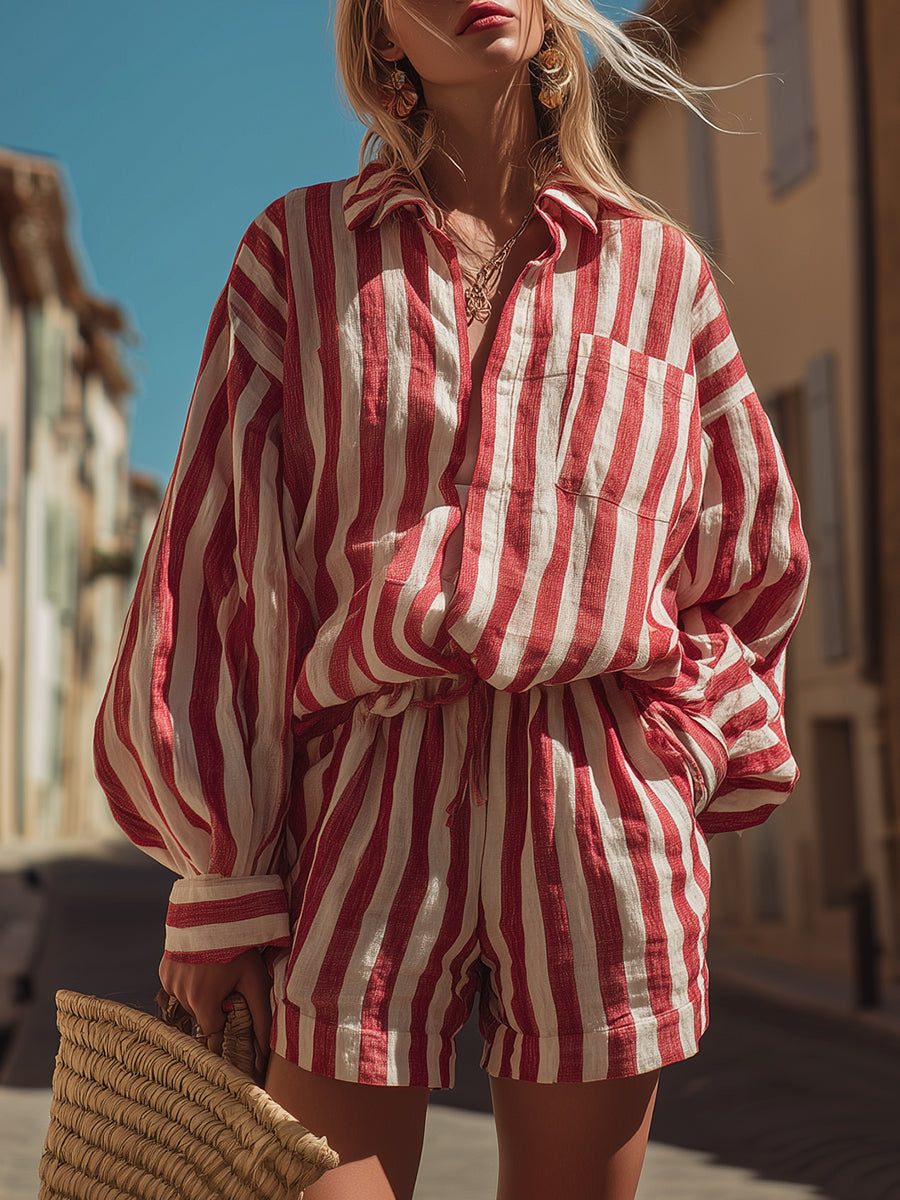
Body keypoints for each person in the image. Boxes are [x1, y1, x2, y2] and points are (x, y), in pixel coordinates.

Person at [94, 2, 810, 1197]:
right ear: (381, 37)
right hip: (369, 797)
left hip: (597, 805)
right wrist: (220, 877)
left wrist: (671, 762)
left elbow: (748, 559)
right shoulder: (296, 253)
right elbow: (216, 563)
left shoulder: (659, 275)